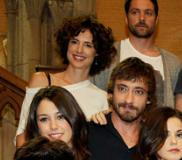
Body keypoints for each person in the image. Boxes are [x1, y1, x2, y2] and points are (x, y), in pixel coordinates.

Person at [16, 15, 115, 147]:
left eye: (88, 45)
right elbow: (22, 139)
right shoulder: (42, 81)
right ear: (66, 44)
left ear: (97, 52)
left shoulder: (101, 98)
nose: (79, 50)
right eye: (74, 42)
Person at [92, 0, 181, 107]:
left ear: (156, 20)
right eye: (135, 12)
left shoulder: (172, 63)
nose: (142, 18)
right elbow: (94, 98)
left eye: (148, 13)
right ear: (126, 18)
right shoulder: (109, 54)